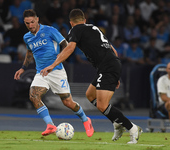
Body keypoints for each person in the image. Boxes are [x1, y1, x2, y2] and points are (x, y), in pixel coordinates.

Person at [41, 8, 142, 144]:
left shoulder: (75, 30)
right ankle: (117, 123)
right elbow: (113, 50)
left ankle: (133, 128)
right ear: (85, 20)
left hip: (107, 67)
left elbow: (70, 48)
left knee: (102, 105)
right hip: (109, 65)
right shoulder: (94, 28)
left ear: (71, 23)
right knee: (90, 95)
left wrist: (53, 65)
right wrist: (115, 75)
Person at [14, 9, 94, 137]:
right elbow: (30, 52)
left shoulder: (50, 30)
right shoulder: (27, 37)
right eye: (27, 23)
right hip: (41, 72)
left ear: (37, 19)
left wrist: (54, 63)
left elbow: (66, 45)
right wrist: (23, 67)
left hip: (56, 71)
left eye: (32, 22)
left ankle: (86, 120)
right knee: (33, 96)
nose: (30, 26)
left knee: (68, 103)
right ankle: (50, 125)